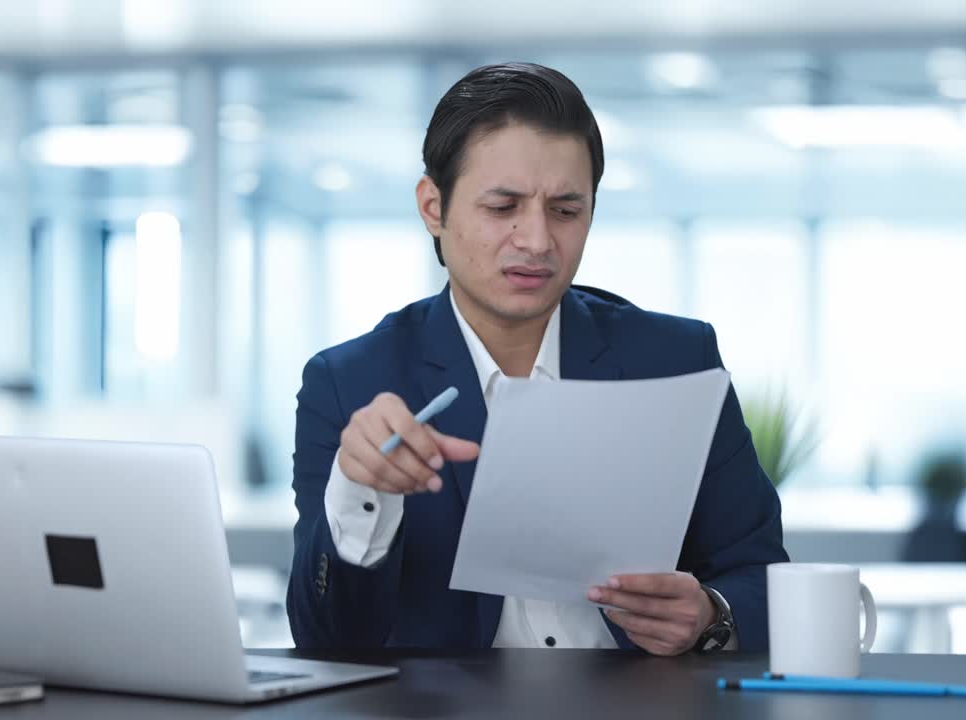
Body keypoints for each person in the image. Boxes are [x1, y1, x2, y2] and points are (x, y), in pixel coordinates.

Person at [287, 62, 788, 655]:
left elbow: (764, 581)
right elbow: (324, 638)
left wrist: (712, 613)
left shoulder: (676, 359)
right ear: (433, 208)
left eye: (566, 210)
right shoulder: (351, 384)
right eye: (503, 207)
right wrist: (359, 490)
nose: (537, 241)